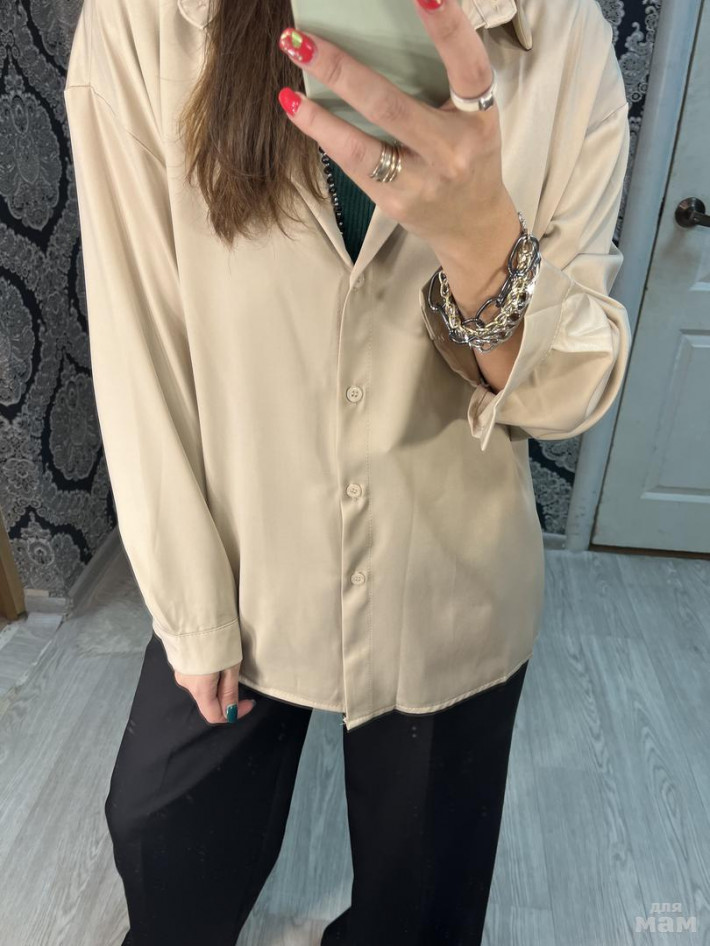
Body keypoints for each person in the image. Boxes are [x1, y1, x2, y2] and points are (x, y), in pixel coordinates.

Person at [62, 0, 631, 943]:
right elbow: (138, 336)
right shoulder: (144, 21)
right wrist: (190, 605)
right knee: (165, 847)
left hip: (446, 578)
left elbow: (564, 399)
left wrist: (484, 246)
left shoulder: (560, 36)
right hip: (243, 567)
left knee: (420, 914)